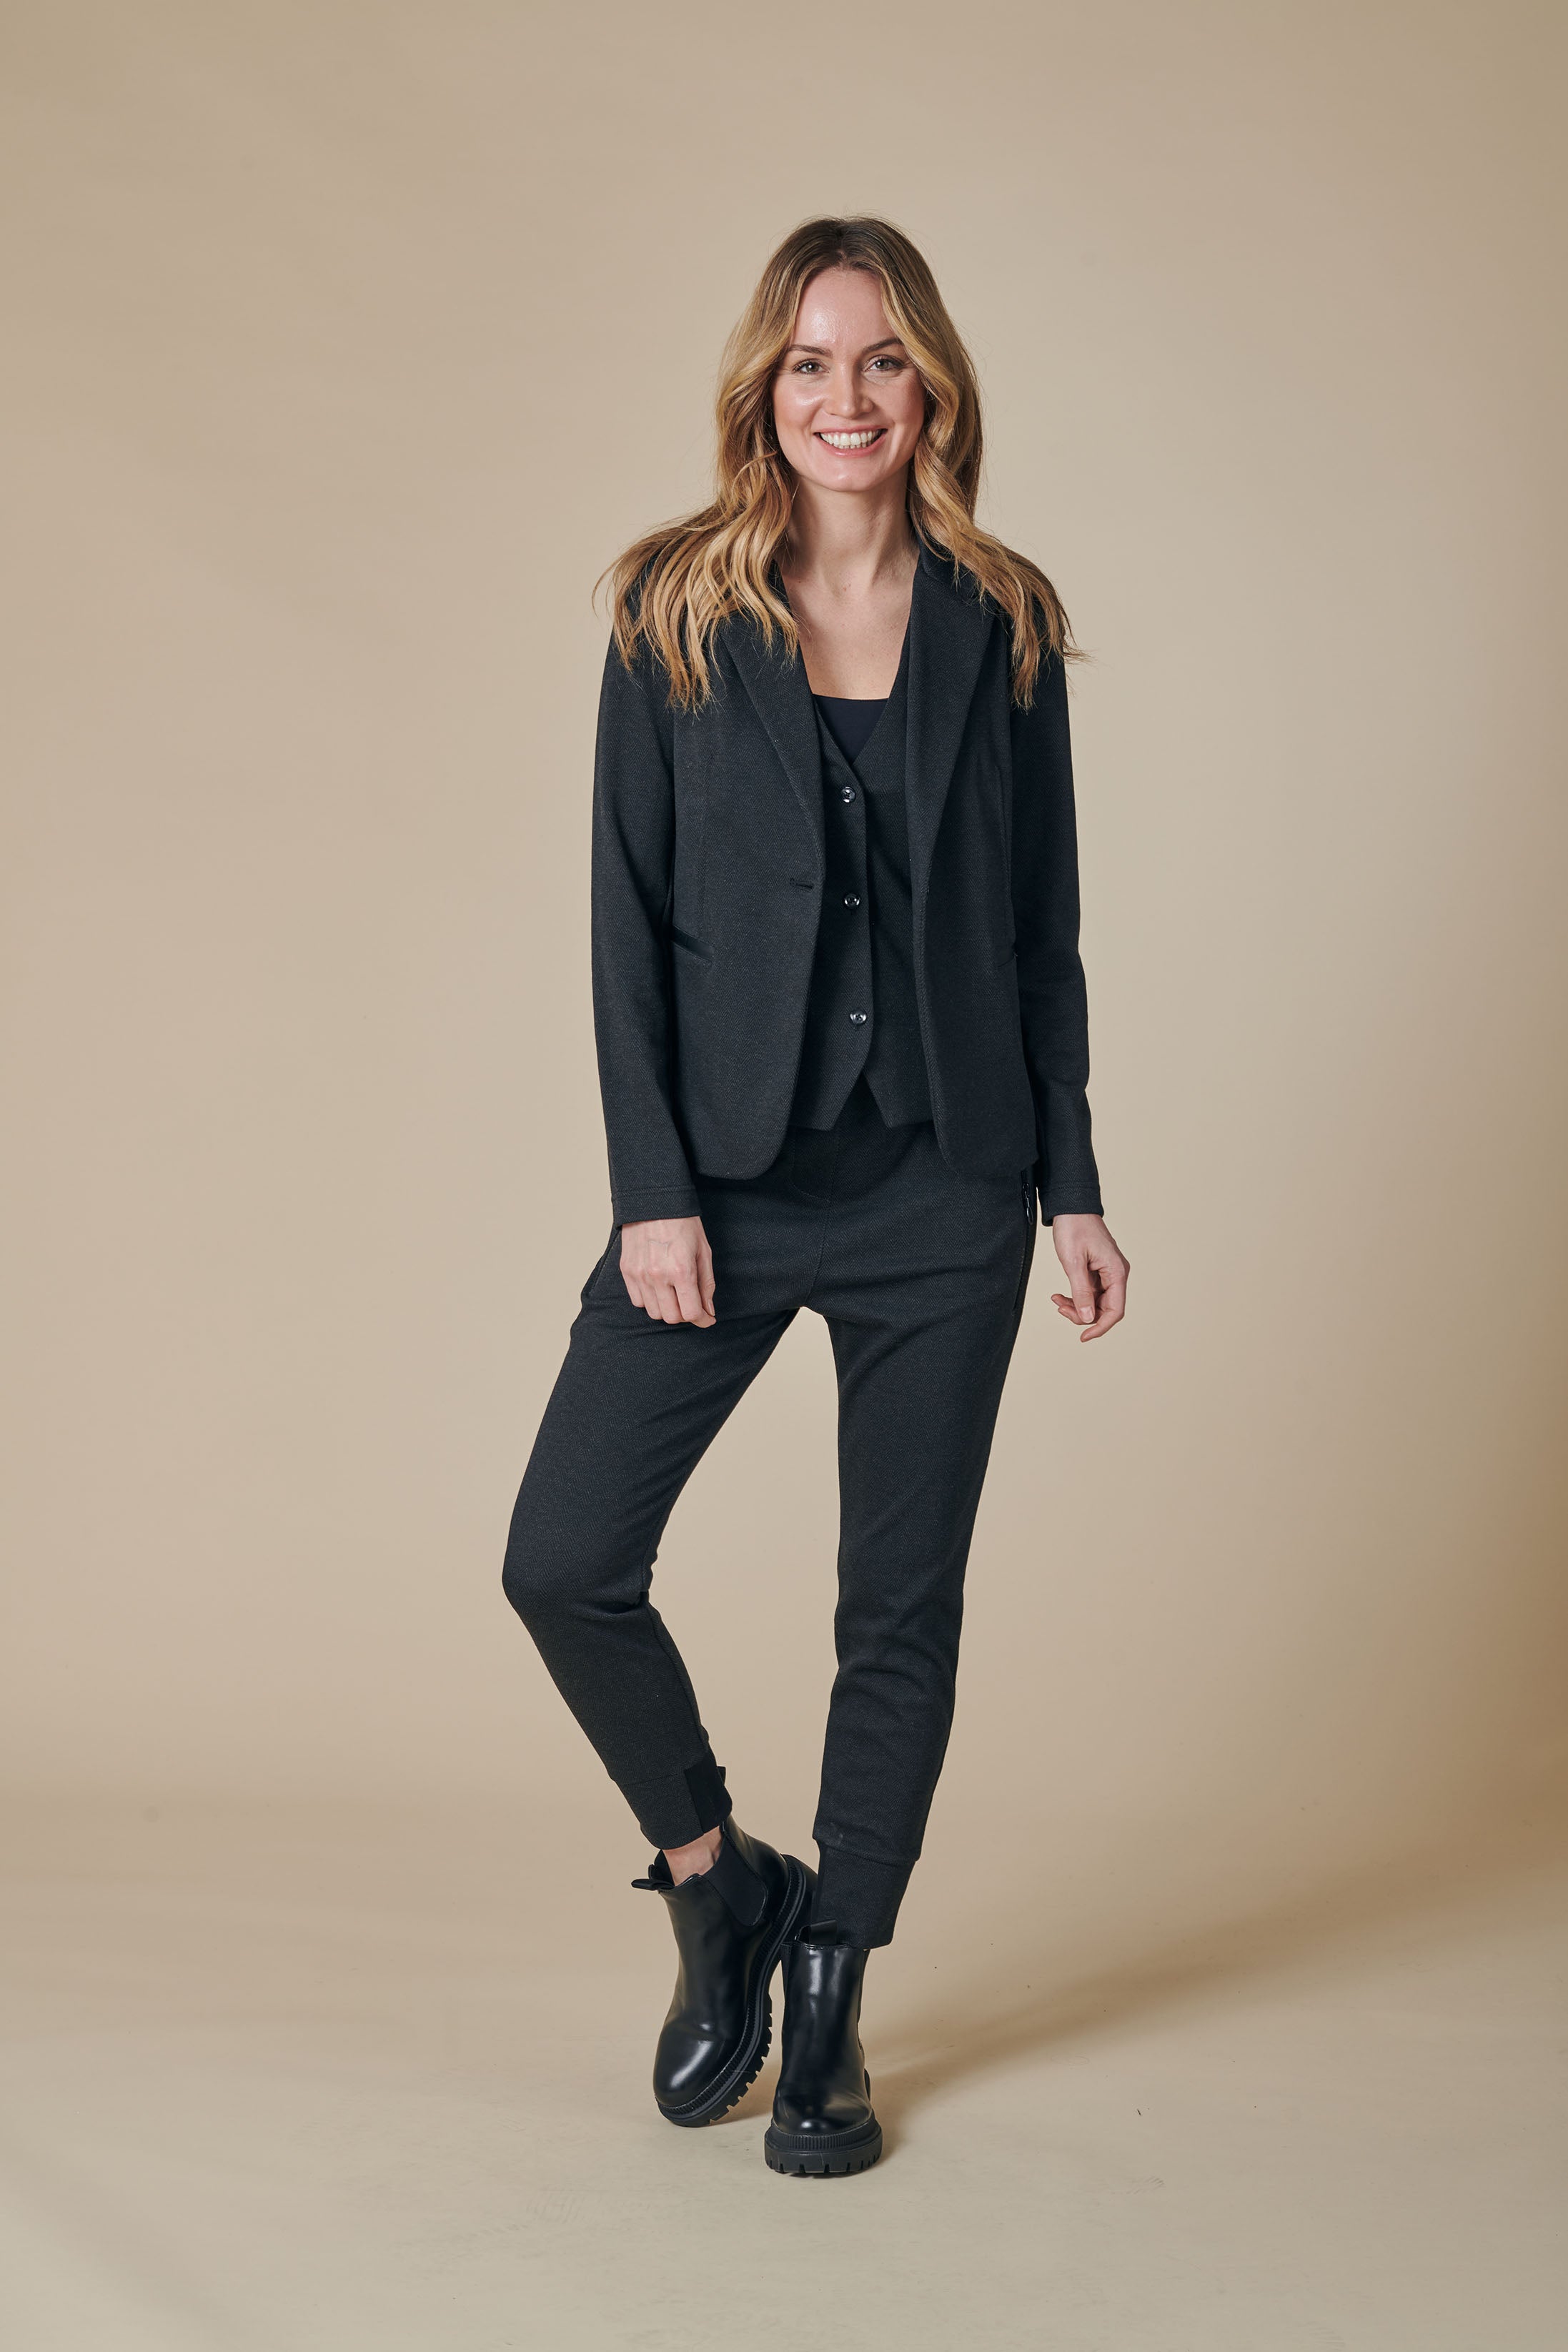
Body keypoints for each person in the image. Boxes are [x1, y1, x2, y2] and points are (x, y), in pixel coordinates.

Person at [502, 216, 1128, 2178]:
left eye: (878, 360)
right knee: (563, 1557)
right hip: (729, 1182)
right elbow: (621, 928)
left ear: (928, 386)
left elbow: (1041, 926)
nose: (844, 397)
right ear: (761, 389)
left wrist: (1072, 1186)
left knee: (898, 1605)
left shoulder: (1000, 621)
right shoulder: (670, 611)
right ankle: (724, 1887)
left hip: (948, 1184)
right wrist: (653, 1190)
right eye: (808, 362)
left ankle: (837, 1990)